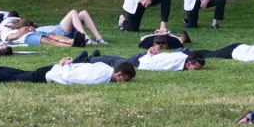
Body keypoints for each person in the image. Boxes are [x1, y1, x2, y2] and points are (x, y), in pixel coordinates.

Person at [0, 58, 136, 85]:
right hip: (55, 74)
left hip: (55, 68)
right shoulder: (102, 76)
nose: (122, 83)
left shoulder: (104, 66)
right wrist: (64, 68)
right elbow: (77, 78)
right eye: (124, 80)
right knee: (15, 78)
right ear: (119, 75)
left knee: (22, 72)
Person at [0, 9, 108, 47]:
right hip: (59, 31)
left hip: (61, 30)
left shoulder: (33, 28)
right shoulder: (19, 31)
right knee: (73, 12)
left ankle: (99, 38)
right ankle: (86, 37)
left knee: (82, 13)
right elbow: (10, 36)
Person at [76, 46, 207, 72]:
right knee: (114, 63)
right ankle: (86, 59)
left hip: (142, 57)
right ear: (189, 63)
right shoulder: (179, 63)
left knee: (118, 59)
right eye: (194, 68)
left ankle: (95, 56)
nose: (193, 70)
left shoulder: (181, 56)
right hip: (140, 61)